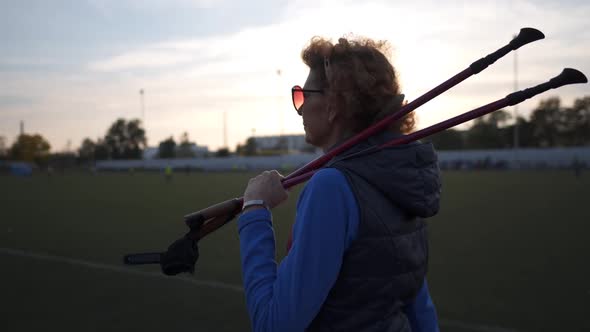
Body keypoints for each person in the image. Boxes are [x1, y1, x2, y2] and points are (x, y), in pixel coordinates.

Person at [238, 36, 441, 331]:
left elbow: (274, 325)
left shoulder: (331, 186)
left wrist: (255, 210)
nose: (301, 108)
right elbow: (419, 309)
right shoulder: (402, 178)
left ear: (334, 105)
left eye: (304, 96)